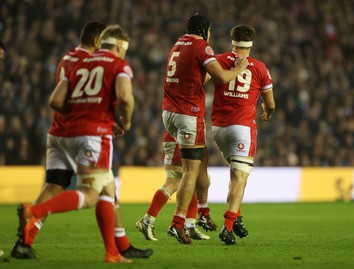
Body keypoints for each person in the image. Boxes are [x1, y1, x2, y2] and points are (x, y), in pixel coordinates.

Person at [10, 21, 151, 260]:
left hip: (59, 131)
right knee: (92, 191)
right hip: (88, 131)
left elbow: (56, 100)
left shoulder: (69, 59)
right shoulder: (99, 62)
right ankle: (34, 213)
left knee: (89, 186)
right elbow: (124, 97)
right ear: (99, 42)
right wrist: (95, 115)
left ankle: (116, 248)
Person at [162, 14, 248, 244]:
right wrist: (239, 69)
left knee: (201, 161)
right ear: (206, 31)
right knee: (191, 170)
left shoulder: (179, 43)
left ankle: (201, 212)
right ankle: (178, 222)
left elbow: (198, 78)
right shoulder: (202, 46)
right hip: (187, 113)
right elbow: (221, 77)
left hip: (168, 111)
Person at [211, 25, 275, 245]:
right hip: (243, 129)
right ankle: (228, 226)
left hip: (218, 129)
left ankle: (236, 217)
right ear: (252, 44)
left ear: (232, 41)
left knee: (235, 175)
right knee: (240, 178)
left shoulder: (218, 60)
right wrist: (267, 111)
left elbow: (202, 81)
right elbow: (271, 104)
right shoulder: (260, 68)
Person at [136, 132, 217, 241]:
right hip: (182, 139)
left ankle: (189, 224)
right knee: (175, 182)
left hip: (183, 138)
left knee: (191, 179)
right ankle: (147, 221)